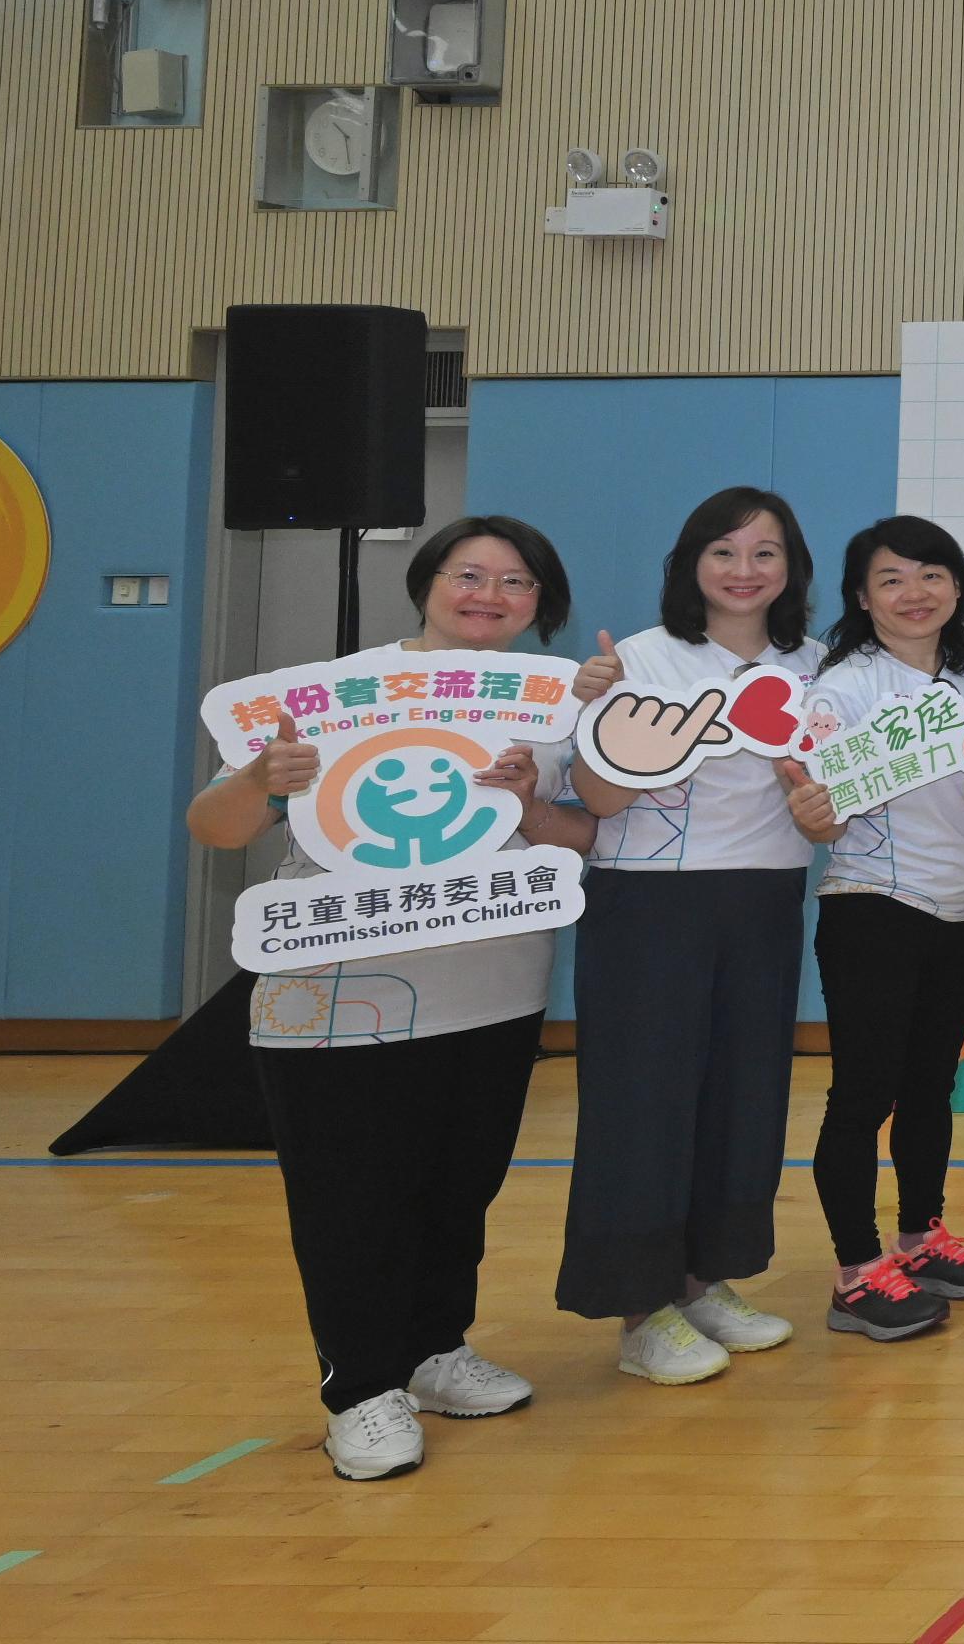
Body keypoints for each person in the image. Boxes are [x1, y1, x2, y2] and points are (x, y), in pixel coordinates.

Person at [186, 518, 598, 1479]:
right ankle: (360, 1391)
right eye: (469, 573)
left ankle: (431, 1350)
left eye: (518, 581)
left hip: (495, 986)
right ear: (425, 582)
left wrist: (530, 801)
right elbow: (215, 826)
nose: (490, 593)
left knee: (459, 1186)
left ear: (542, 603)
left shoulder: (549, 703)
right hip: (337, 994)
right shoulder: (332, 695)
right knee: (350, 1199)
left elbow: (578, 838)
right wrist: (260, 777)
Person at [557, 488, 824, 1382]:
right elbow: (594, 803)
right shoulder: (635, 658)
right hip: (650, 906)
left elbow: (832, 799)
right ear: (690, 564)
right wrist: (611, 720)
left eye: (766, 554)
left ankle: (706, 1281)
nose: (745, 572)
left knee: (745, 1098)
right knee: (645, 1103)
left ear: (792, 568)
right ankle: (642, 1312)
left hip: (767, 898)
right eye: (724, 553)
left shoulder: (814, 665)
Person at [803, 516, 964, 1342]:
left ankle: (920, 1239)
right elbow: (820, 805)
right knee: (864, 1093)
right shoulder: (844, 688)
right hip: (873, 906)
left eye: (932, 574)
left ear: (957, 586)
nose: (914, 592)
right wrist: (817, 802)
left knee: (931, 1085)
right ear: (862, 597)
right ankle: (856, 1273)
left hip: (959, 907)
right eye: (891, 579)